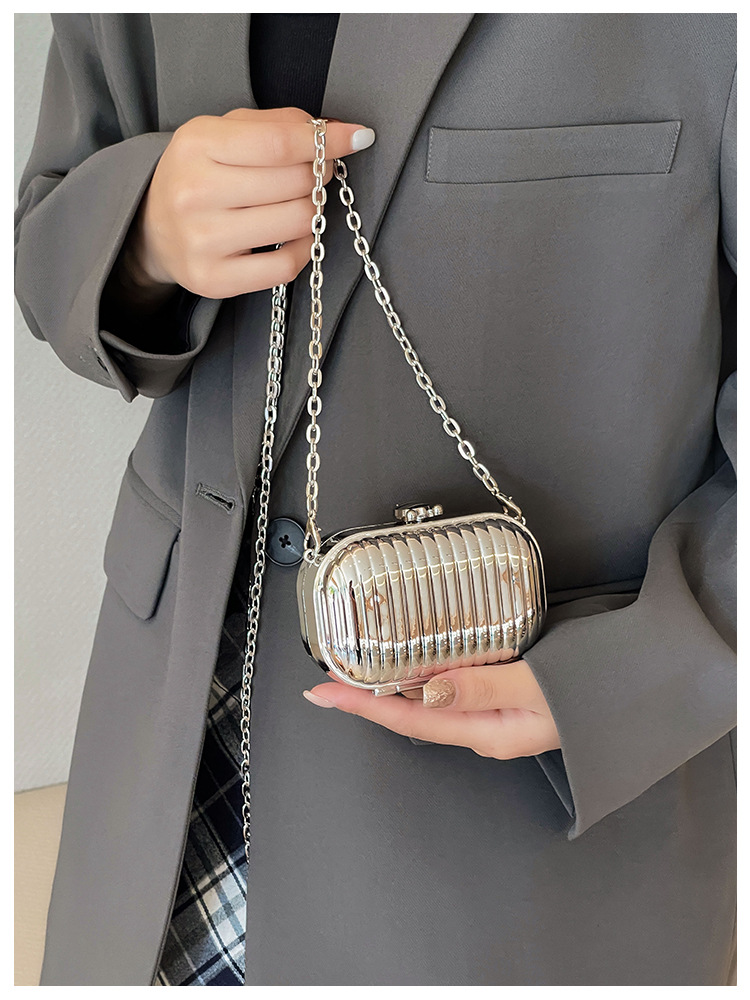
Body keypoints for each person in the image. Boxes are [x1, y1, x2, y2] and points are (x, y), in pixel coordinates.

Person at [15, 13, 736, 987]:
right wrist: (141, 234)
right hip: (160, 760)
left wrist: (648, 666)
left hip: (518, 833)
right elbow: (49, 236)